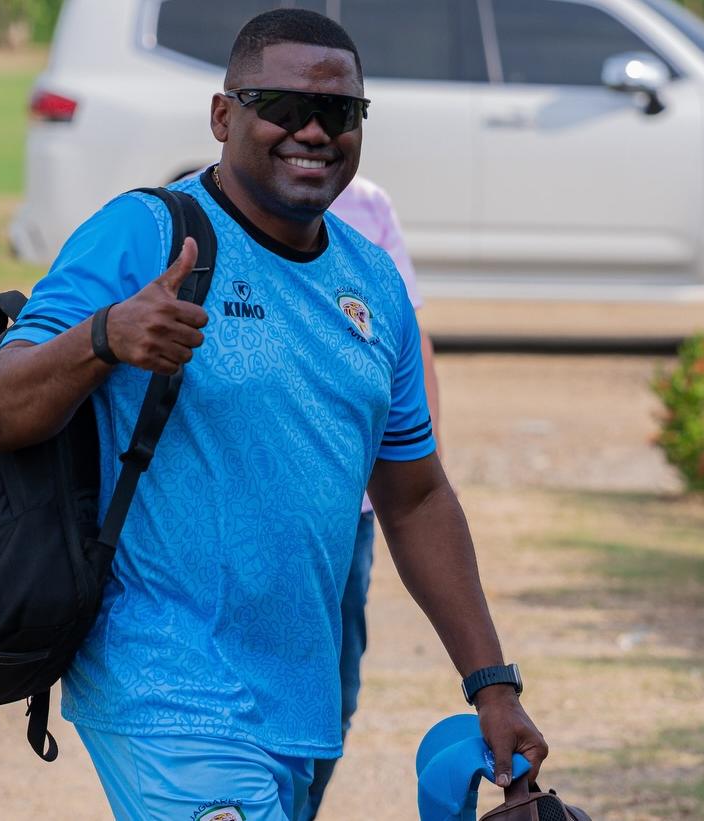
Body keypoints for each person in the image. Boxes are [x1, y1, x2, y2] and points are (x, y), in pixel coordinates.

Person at [0, 10, 544, 820]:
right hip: (163, 684)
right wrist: (106, 335)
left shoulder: (375, 284)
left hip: (296, 707)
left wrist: (491, 682)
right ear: (222, 115)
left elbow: (415, 497)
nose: (312, 129)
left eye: (340, 113)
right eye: (281, 104)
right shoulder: (144, 234)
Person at [304, 175, 440, 819]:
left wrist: (425, 472)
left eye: (338, 111)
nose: (311, 130)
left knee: (335, 688)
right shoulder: (195, 209)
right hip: (247, 502)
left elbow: (407, 333)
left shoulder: (369, 206)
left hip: (348, 510)